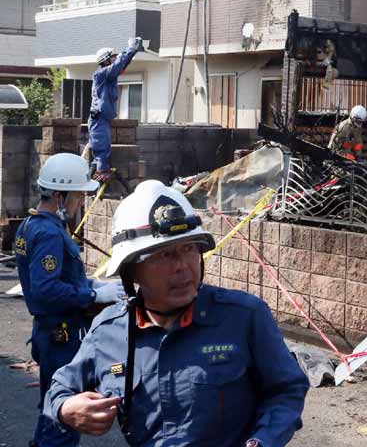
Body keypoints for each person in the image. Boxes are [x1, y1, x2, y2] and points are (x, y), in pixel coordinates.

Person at [44, 181, 309, 447]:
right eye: (164, 255)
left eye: (189, 249)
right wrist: (65, 408)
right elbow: (59, 388)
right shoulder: (108, 331)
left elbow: (287, 389)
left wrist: (262, 441)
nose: (182, 267)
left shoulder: (244, 317)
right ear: (131, 270)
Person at [14, 153, 126, 447]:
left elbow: (59, 278)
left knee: (53, 406)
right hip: (60, 335)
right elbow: (46, 290)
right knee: (64, 413)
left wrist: (92, 283)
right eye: (78, 196)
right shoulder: (49, 234)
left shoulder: (30, 224)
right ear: (60, 196)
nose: (81, 203)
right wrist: (93, 294)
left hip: (51, 333)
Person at [88, 37, 144, 181]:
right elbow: (119, 65)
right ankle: (100, 172)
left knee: (102, 145)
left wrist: (130, 53)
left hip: (103, 118)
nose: (115, 59)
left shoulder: (109, 76)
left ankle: (96, 172)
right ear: (106, 60)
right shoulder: (101, 74)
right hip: (98, 118)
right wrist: (131, 49)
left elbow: (121, 65)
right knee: (101, 145)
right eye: (113, 57)